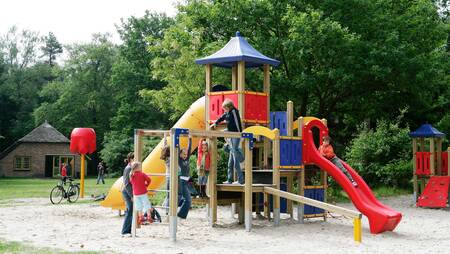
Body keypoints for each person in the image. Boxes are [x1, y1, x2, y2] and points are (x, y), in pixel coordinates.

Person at [210, 99, 244, 184]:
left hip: (236, 134)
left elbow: (237, 122)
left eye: (224, 108)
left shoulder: (234, 112)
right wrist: (216, 123)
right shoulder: (227, 113)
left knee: (235, 156)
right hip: (230, 133)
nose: (224, 110)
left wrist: (239, 133)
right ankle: (229, 180)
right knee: (230, 161)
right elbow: (221, 117)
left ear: (229, 107)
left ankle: (240, 180)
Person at [177, 138, 192, 219]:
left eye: (186, 154)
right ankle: (180, 215)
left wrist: (190, 138)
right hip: (182, 181)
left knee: (188, 198)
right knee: (188, 200)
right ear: (180, 154)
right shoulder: (179, 160)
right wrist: (177, 138)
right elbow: (178, 148)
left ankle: (180, 213)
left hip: (188, 180)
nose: (185, 156)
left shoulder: (187, 159)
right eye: (184, 154)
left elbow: (189, 149)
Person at [121, 152, 134, 236]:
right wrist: (132, 195)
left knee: (130, 210)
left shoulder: (132, 168)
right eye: (134, 159)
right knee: (129, 211)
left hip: (129, 192)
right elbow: (126, 184)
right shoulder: (128, 168)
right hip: (127, 192)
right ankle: (125, 231)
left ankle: (128, 230)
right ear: (130, 159)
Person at [160, 145, 171, 216]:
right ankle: (166, 208)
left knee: (169, 194)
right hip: (170, 177)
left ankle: (166, 207)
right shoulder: (169, 159)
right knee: (169, 194)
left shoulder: (166, 158)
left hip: (168, 176)